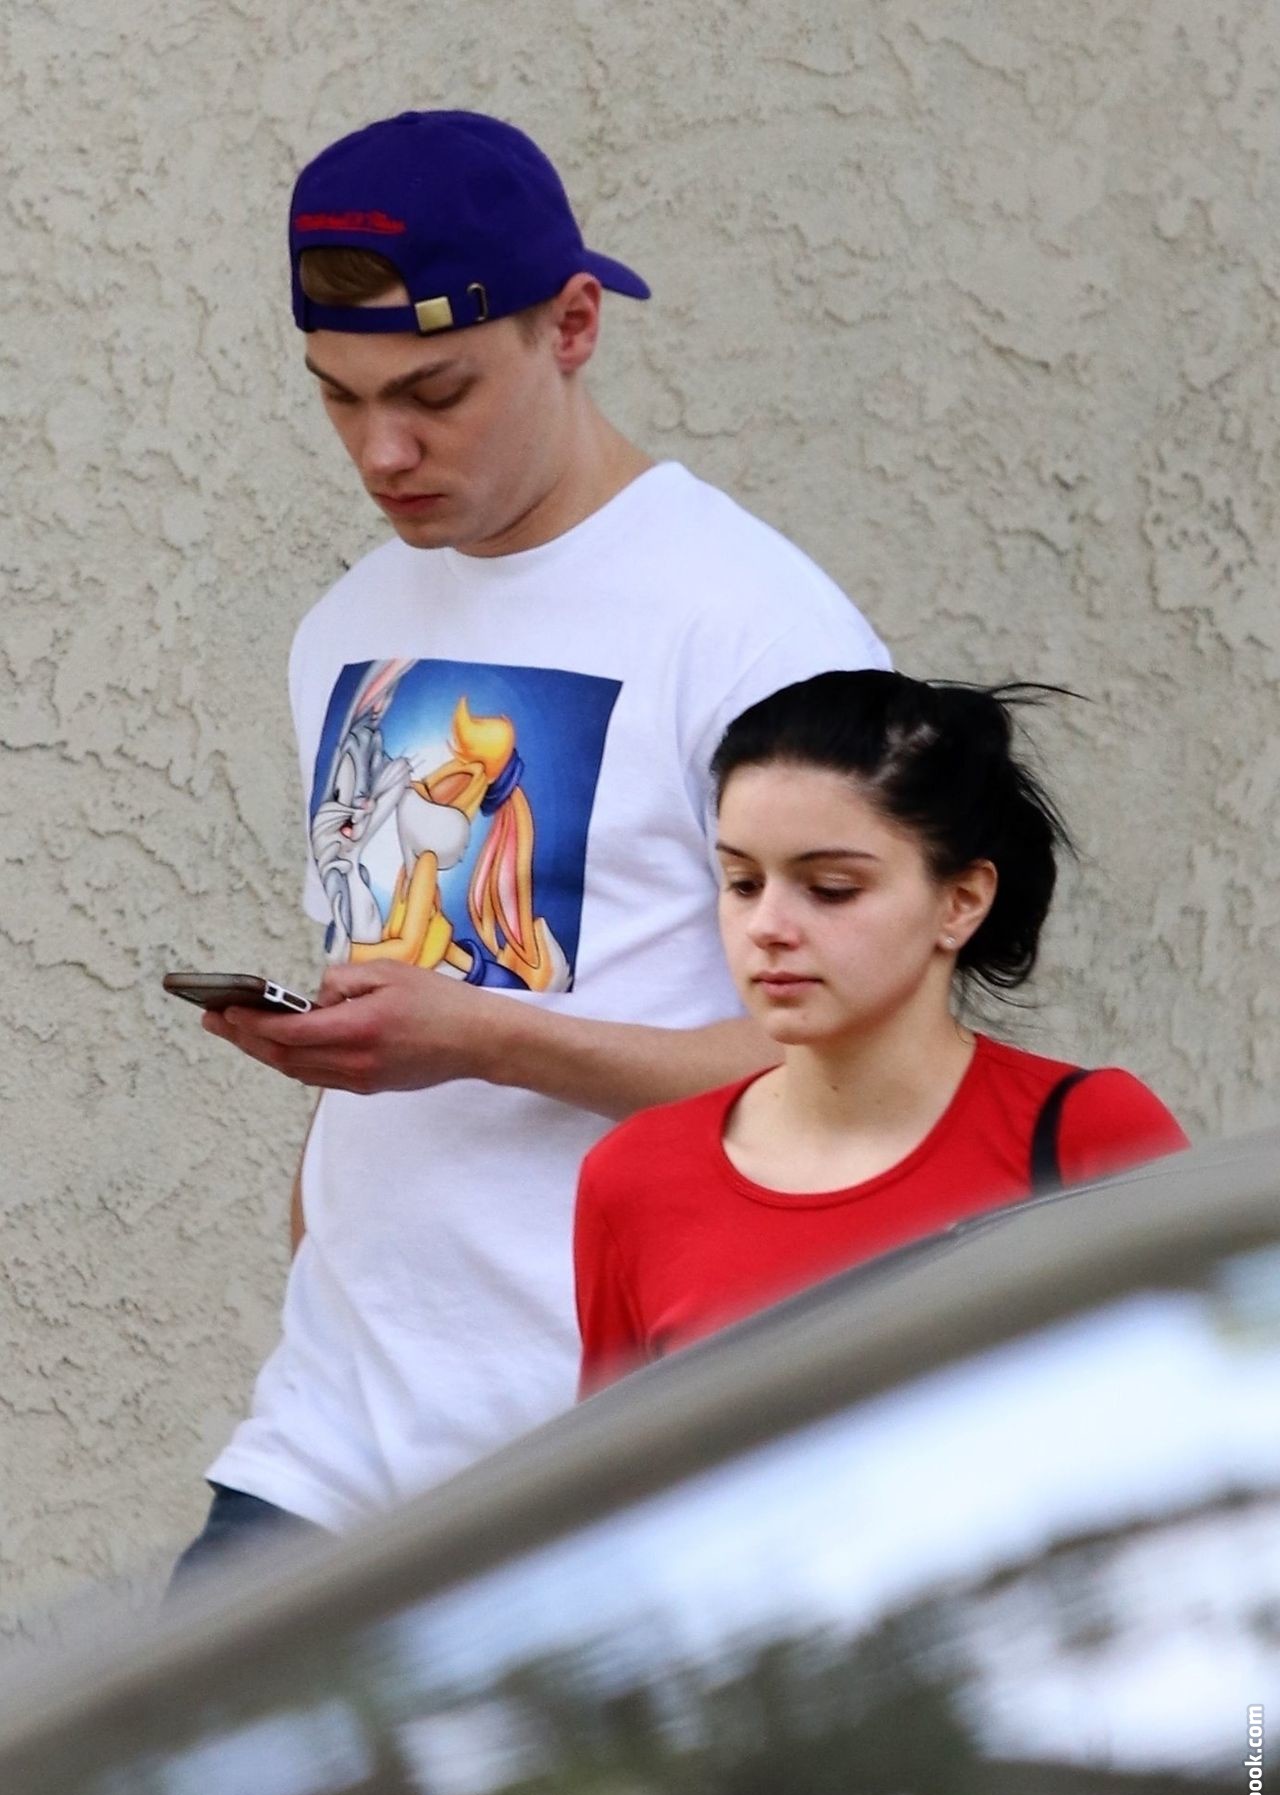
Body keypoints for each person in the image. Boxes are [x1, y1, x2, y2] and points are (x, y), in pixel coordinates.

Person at [176, 109, 889, 1574]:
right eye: (337, 398)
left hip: (624, 1460)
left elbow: (874, 1067)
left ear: (571, 326)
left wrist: (487, 1041)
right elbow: (391, 982)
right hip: (328, 1448)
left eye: (434, 392)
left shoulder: (758, 634)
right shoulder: (349, 626)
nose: (382, 450)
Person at [574, 670, 1189, 1391]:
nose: (767, 926)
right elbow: (628, 1460)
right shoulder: (633, 1179)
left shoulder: (1087, 1135)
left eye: (830, 889)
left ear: (961, 901)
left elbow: (1207, 1415)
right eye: (742, 882)